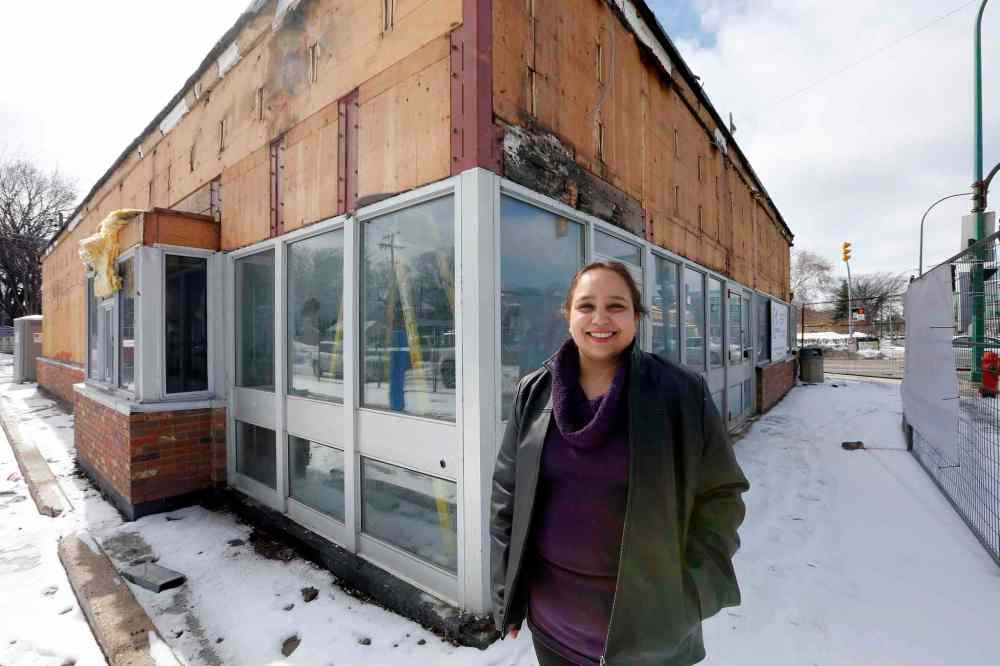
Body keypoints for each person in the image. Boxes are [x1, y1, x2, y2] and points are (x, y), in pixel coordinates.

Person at [490, 260, 749, 666]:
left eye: (616, 306)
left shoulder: (679, 393)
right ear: (568, 315)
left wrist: (694, 593)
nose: (600, 318)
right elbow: (508, 493)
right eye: (586, 306)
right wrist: (507, 592)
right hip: (553, 630)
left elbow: (721, 495)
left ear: (637, 316)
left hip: (650, 638)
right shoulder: (533, 391)